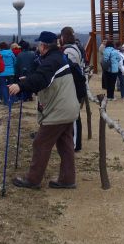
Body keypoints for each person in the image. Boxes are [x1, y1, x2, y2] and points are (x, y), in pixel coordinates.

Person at [9, 31, 80, 190]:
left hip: (58, 110)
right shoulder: (57, 58)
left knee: (40, 143)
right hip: (67, 107)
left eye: (40, 44)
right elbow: (46, 79)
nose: (38, 47)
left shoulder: (51, 61)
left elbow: (41, 79)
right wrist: (27, 81)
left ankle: (32, 180)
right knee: (65, 145)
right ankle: (67, 179)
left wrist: (20, 86)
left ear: (44, 46)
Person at [60, 26, 85, 152]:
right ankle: (73, 141)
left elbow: (71, 71)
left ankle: (75, 144)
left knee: (75, 116)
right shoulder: (76, 48)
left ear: (63, 37)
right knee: (74, 115)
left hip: (73, 86)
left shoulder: (69, 51)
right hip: (75, 85)